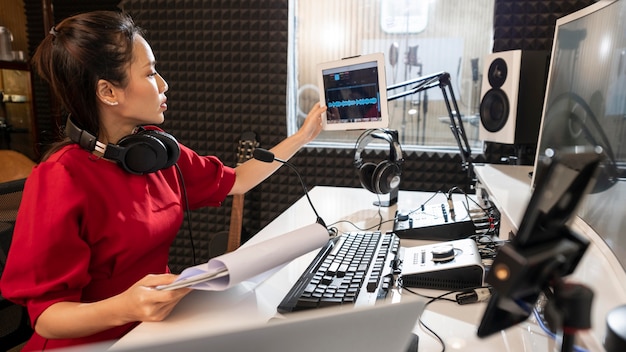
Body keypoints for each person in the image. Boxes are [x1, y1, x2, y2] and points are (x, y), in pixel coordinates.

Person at [0, 10, 326, 351]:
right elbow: (48, 318)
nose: (164, 84)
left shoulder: (154, 151)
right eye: (151, 72)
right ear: (109, 92)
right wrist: (124, 307)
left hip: (151, 331)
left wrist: (303, 136)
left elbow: (238, 180)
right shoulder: (58, 179)